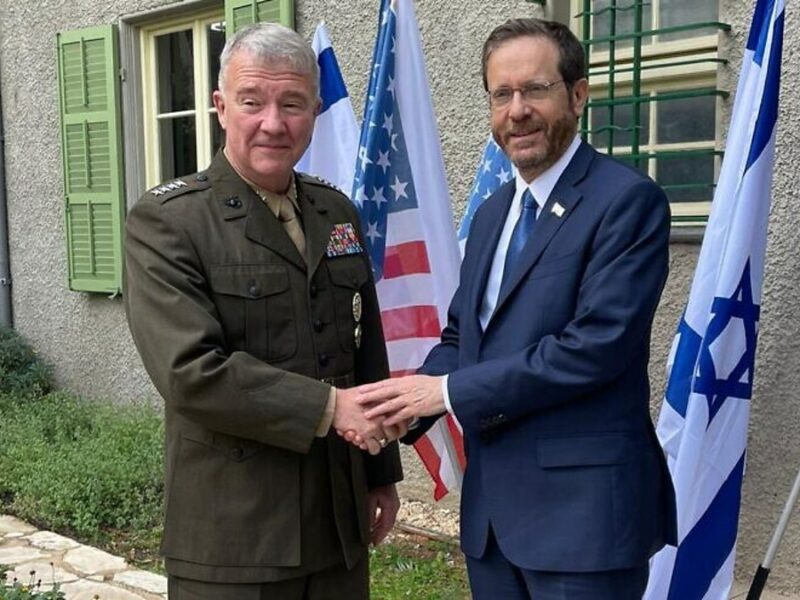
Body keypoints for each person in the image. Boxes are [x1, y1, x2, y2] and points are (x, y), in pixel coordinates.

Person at [354, 17, 677, 600]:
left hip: (584, 525)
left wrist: (446, 394)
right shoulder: (492, 213)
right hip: (495, 523)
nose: (517, 109)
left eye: (536, 89)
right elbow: (463, 337)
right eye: (501, 94)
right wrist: (408, 403)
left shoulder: (627, 202)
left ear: (577, 94)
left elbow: (594, 347)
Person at [124, 22, 403, 600]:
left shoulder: (337, 211)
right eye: (253, 101)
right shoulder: (169, 223)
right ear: (221, 107)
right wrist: (331, 407)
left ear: (314, 110)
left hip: (338, 522)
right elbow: (191, 373)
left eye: (292, 103)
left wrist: (380, 474)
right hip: (236, 536)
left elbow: (364, 348)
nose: (273, 122)